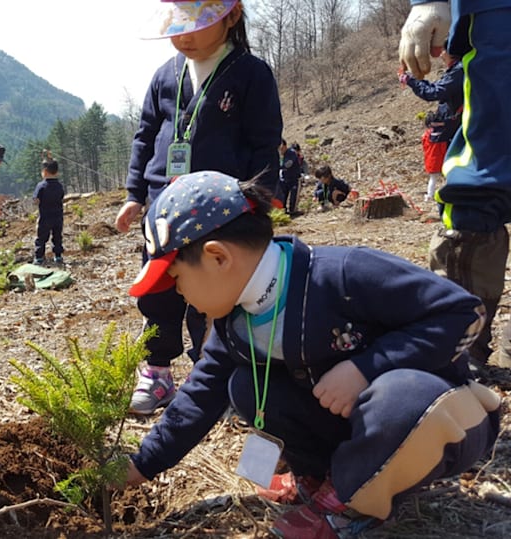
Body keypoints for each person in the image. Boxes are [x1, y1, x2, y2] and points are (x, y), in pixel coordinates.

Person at [124, 170, 500, 538]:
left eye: (176, 278)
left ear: (218, 257)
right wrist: (143, 464)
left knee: (397, 397)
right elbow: (200, 395)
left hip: (441, 417)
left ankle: (349, 507)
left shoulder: (344, 275)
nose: (177, 293)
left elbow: (462, 313)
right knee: (246, 386)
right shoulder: (236, 322)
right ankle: (324, 479)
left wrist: (366, 367)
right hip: (355, 424)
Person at [114, 0, 282, 414]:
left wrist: (259, 201)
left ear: (233, 16)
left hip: (221, 210)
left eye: (194, 25)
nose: (183, 36)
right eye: (176, 26)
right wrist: (136, 193)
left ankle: (211, 375)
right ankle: (157, 372)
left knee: (215, 295)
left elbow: (265, 142)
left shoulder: (251, 74)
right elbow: (145, 136)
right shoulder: (164, 76)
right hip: (164, 207)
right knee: (159, 290)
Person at [399, 0, 511, 369]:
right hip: (497, 19)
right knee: (483, 181)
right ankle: (460, 345)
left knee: (481, 180)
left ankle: (458, 348)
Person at [399, 51, 463, 201]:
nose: (440, 54)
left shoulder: (458, 71)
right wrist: (412, 80)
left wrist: (410, 81)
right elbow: (435, 88)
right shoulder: (456, 71)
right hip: (451, 126)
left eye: (443, 51)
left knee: (451, 164)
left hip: (453, 128)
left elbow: (433, 92)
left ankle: (451, 196)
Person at [32, 152, 65, 265]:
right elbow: (61, 197)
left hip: (45, 217)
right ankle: (58, 256)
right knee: (57, 237)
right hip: (58, 217)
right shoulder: (59, 185)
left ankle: (39, 257)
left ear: (44, 172)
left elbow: (36, 200)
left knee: (41, 238)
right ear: (57, 172)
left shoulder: (41, 186)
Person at [277, 139, 302, 215]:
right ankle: (283, 211)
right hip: (285, 179)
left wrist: (278, 167)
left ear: (284, 146)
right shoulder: (282, 155)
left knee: (293, 196)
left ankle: (293, 211)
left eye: (281, 148)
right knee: (283, 196)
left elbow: (288, 164)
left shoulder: (291, 153)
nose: (280, 150)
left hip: (294, 179)